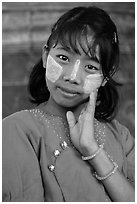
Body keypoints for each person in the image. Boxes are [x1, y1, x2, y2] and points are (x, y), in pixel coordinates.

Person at [2, 6, 135, 202]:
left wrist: (92, 151)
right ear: (46, 56)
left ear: (106, 77)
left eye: (90, 67)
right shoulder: (16, 130)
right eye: (63, 58)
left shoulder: (121, 136)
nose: (72, 77)